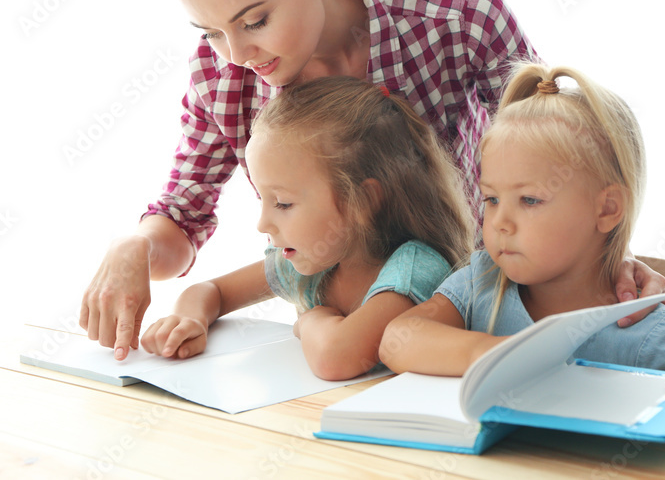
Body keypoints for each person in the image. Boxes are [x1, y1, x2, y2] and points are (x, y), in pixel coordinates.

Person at [80, 0, 665, 361]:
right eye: (210, 31)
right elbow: (182, 219)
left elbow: (558, 157)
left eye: (255, 20)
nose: (237, 55)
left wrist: (604, 260)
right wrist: (134, 246)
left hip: (479, 320)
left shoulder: (449, 9)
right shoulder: (221, 76)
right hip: (356, 356)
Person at [380, 62, 665, 424]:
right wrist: (491, 356)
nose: (500, 222)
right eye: (491, 199)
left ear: (606, 209)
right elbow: (396, 340)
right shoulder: (482, 283)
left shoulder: (644, 330)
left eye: (530, 200)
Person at [140, 77, 473, 380]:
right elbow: (211, 292)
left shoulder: (415, 268)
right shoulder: (311, 261)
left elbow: (336, 358)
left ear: (363, 201)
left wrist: (311, 320)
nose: (263, 224)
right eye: (263, 200)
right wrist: (189, 319)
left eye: (283, 204)